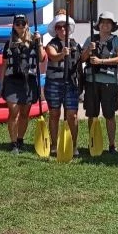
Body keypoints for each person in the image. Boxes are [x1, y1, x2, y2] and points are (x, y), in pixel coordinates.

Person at [0, 13, 44, 154]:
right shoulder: (9, 43)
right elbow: (4, 66)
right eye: (17, 23)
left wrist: (40, 42)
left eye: (22, 23)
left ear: (27, 25)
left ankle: (20, 139)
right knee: (13, 111)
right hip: (12, 81)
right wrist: (1, 85)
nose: (20, 26)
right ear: (13, 25)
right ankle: (13, 143)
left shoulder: (34, 42)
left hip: (28, 81)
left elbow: (42, 58)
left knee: (25, 113)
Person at [81, 11, 118, 155]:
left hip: (109, 82)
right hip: (91, 81)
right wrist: (89, 49)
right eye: (102, 22)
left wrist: (101, 61)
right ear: (98, 24)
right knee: (92, 114)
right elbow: (81, 59)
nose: (105, 25)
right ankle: (92, 141)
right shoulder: (91, 39)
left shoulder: (116, 41)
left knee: (109, 115)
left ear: (112, 26)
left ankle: (112, 145)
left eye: (108, 23)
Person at [44, 12, 82, 157]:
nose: (62, 30)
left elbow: (81, 60)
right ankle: (54, 145)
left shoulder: (74, 44)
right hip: (54, 83)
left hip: (70, 83)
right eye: (59, 27)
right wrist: (62, 54)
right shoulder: (52, 44)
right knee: (54, 114)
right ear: (56, 29)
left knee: (72, 115)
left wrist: (88, 51)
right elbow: (52, 55)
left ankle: (73, 145)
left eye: (64, 27)